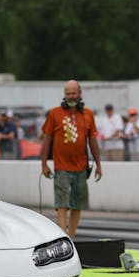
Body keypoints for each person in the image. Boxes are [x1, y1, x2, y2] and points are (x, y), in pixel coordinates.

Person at [41, 80, 102, 238]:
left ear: (80, 94)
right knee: (62, 203)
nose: (71, 96)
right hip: (61, 167)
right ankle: (64, 236)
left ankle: (72, 236)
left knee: (77, 204)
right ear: (64, 95)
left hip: (81, 167)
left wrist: (99, 165)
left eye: (73, 93)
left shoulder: (88, 114)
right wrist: (44, 164)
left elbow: (93, 140)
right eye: (68, 93)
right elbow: (47, 139)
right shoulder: (55, 113)